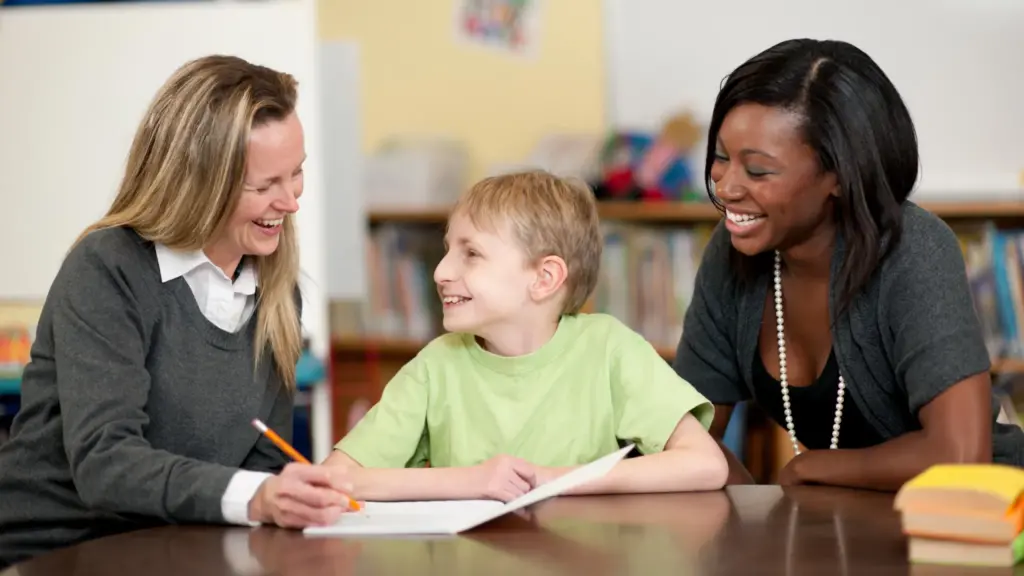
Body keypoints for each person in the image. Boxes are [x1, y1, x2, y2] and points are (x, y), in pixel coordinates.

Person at [0, 55, 354, 568]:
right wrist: (255, 496)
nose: (291, 201)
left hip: (173, 550)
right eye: (264, 186)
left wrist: (287, 494)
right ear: (199, 184)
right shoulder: (108, 269)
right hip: (54, 553)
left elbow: (264, 459)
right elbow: (107, 463)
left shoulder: (276, 292)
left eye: (296, 174)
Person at [674, 38, 1024, 491]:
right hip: (845, 525)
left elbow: (961, 455)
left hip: (977, 522)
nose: (725, 187)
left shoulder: (912, 250)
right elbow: (683, 435)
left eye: (758, 171)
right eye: (721, 158)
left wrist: (811, 469)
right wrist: (753, 514)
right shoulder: (733, 253)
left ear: (838, 175)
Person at [324, 171, 728, 500]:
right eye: (449, 250)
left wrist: (555, 479)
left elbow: (705, 463)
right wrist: (474, 481)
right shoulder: (436, 365)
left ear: (544, 278)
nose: (441, 272)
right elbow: (337, 479)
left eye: (471, 253)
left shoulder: (608, 349)